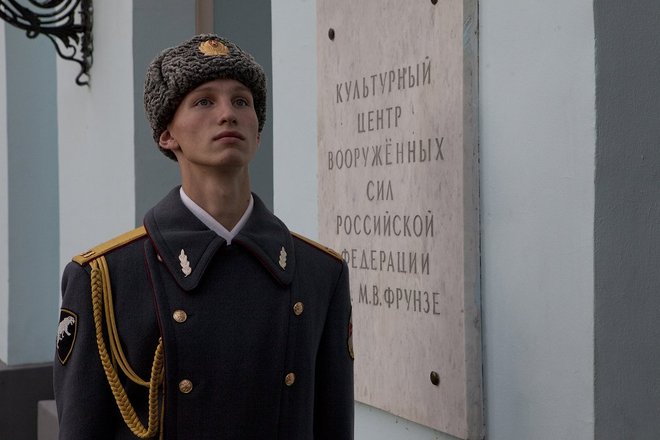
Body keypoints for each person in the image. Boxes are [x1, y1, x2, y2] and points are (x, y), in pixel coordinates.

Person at [53, 33, 354, 439]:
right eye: (204, 101)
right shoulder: (105, 279)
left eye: (241, 101)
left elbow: (333, 424)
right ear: (167, 135)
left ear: (258, 132)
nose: (227, 114)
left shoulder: (321, 272)